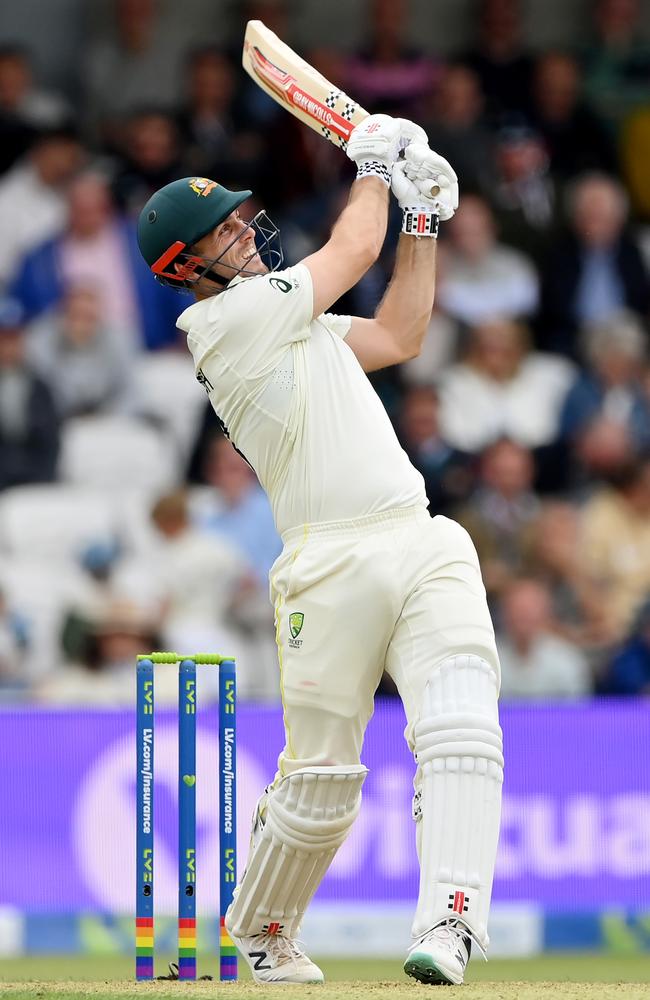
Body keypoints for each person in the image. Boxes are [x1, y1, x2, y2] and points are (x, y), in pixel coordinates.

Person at [136, 117, 502, 987]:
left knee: (462, 730)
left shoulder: (293, 324)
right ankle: (262, 928)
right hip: (326, 566)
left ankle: (450, 922)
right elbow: (350, 244)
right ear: (185, 269)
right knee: (324, 782)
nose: (242, 231)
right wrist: (375, 168)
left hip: (418, 537)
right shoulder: (226, 327)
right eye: (222, 231)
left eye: (238, 217)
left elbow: (404, 331)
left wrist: (422, 222)